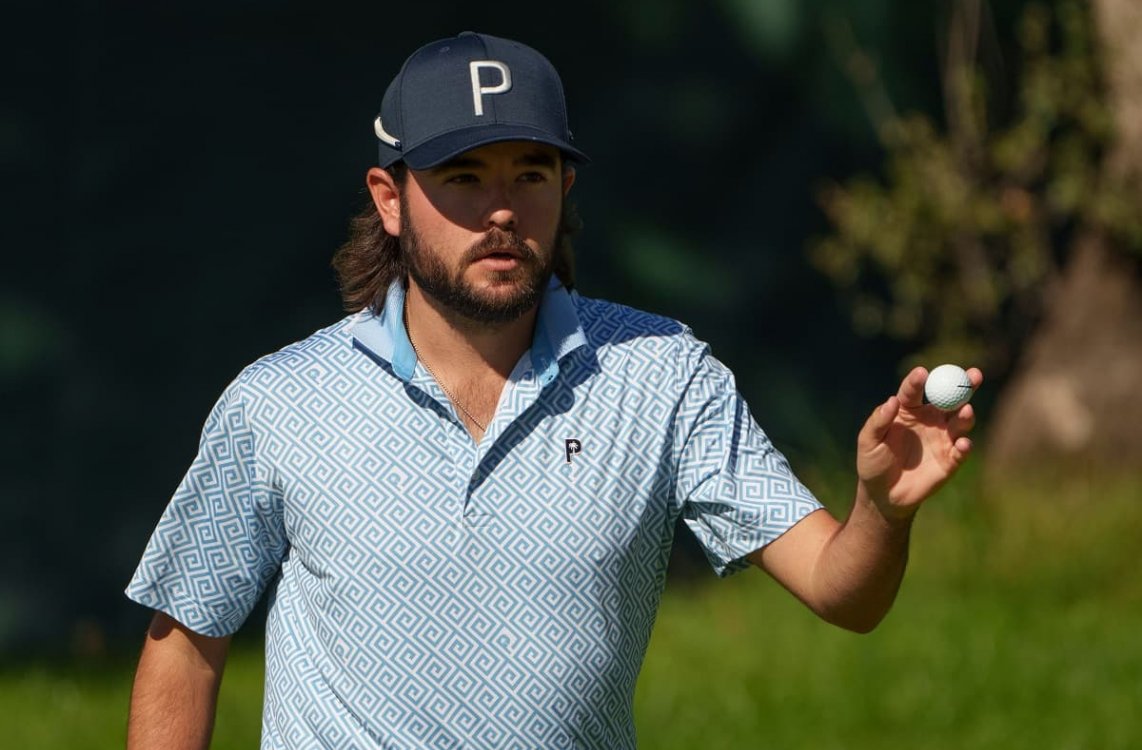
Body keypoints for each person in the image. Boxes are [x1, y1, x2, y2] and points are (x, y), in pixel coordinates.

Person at [125, 31, 982, 750]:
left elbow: (844, 592)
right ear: (390, 199)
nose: (501, 208)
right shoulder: (281, 402)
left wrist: (883, 510)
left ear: (565, 188)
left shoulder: (663, 374)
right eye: (463, 175)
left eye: (529, 172)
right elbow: (185, 645)